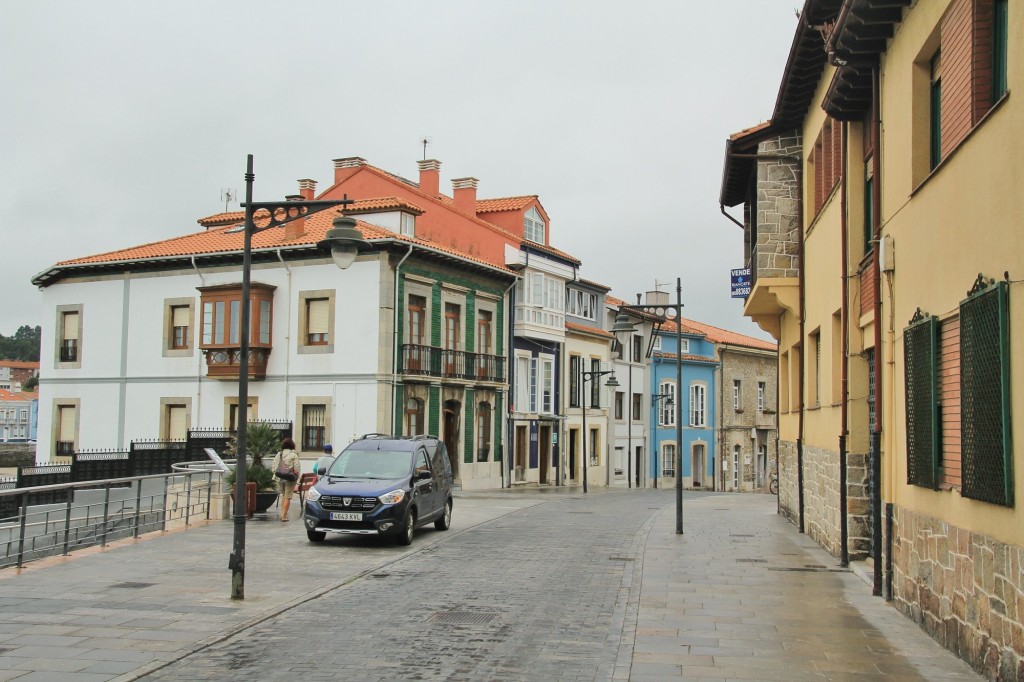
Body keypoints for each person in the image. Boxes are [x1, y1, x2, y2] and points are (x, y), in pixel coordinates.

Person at [271, 437, 301, 522]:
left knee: (283, 495)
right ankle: (283, 516)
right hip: (290, 478)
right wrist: (296, 476)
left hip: (280, 478)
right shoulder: (293, 455)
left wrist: (278, 474)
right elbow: (297, 468)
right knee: (288, 497)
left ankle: (282, 513)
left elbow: (274, 467)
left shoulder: (279, 454)